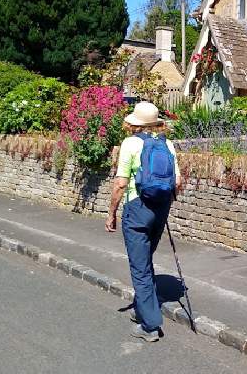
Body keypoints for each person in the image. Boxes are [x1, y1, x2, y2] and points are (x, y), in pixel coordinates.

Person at [105, 101, 182, 342]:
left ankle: (150, 325)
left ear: (135, 123)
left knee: (139, 266)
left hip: (137, 209)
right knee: (145, 259)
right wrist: (166, 201)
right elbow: (177, 182)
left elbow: (120, 184)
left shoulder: (130, 144)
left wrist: (111, 213)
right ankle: (143, 308)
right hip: (161, 208)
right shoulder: (167, 144)